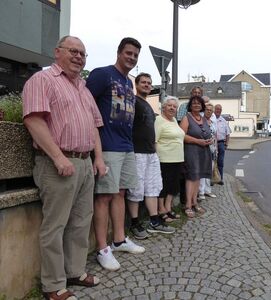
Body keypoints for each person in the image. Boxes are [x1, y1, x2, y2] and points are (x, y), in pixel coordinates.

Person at [22, 35, 106, 300]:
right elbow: (34, 120)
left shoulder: (82, 87)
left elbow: (93, 126)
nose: (79, 57)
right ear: (57, 52)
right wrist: (59, 157)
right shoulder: (42, 80)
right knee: (55, 226)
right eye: (73, 51)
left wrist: (99, 158)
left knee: (81, 223)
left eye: (83, 53)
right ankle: (53, 285)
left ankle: (75, 271)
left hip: (84, 164)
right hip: (57, 164)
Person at [86, 37, 145, 272]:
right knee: (103, 196)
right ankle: (102, 249)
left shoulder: (127, 82)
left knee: (120, 193)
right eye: (128, 53)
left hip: (126, 146)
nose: (131, 57)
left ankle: (119, 240)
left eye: (135, 55)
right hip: (107, 145)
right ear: (119, 52)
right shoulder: (102, 74)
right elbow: (86, 105)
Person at [126, 73, 175, 238]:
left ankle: (154, 220)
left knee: (153, 187)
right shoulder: (133, 101)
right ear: (137, 85)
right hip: (137, 152)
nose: (147, 85)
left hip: (150, 152)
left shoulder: (147, 105)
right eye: (143, 82)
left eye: (149, 83)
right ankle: (134, 223)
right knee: (136, 189)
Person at [180, 95, 213, 218]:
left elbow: (208, 133)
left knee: (198, 177)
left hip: (203, 151)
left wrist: (209, 139)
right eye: (194, 103)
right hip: (191, 150)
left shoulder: (204, 119)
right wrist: (197, 141)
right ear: (190, 105)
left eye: (199, 104)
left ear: (202, 106)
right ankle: (188, 205)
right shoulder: (186, 118)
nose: (196, 105)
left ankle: (195, 202)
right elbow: (182, 135)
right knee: (191, 177)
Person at [155, 96, 185, 222]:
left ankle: (168, 207)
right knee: (164, 185)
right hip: (164, 158)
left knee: (173, 185)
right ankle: (161, 209)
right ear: (164, 107)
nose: (172, 108)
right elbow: (155, 141)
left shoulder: (173, 121)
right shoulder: (159, 120)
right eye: (169, 105)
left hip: (177, 158)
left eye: (174, 106)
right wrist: (156, 158)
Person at [199, 102, 217, 199]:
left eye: (210, 110)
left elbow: (215, 136)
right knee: (203, 170)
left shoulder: (213, 122)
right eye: (207, 109)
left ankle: (207, 190)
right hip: (203, 148)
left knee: (210, 169)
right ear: (204, 110)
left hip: (212, 149)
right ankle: (201, 191)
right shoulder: (201, 121)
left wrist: (216, 149)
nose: (209, 111)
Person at [214, 104, 231, 185]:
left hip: (221, 143)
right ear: (214, 110)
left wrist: (226, 144)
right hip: (212, 143)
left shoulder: (223, 121)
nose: (218, 111)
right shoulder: (211, 119)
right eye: (217, 109)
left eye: (220, 109)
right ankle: (212, 179)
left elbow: (228, 134)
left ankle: (220, 179)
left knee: (220, 162)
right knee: (212, 162)